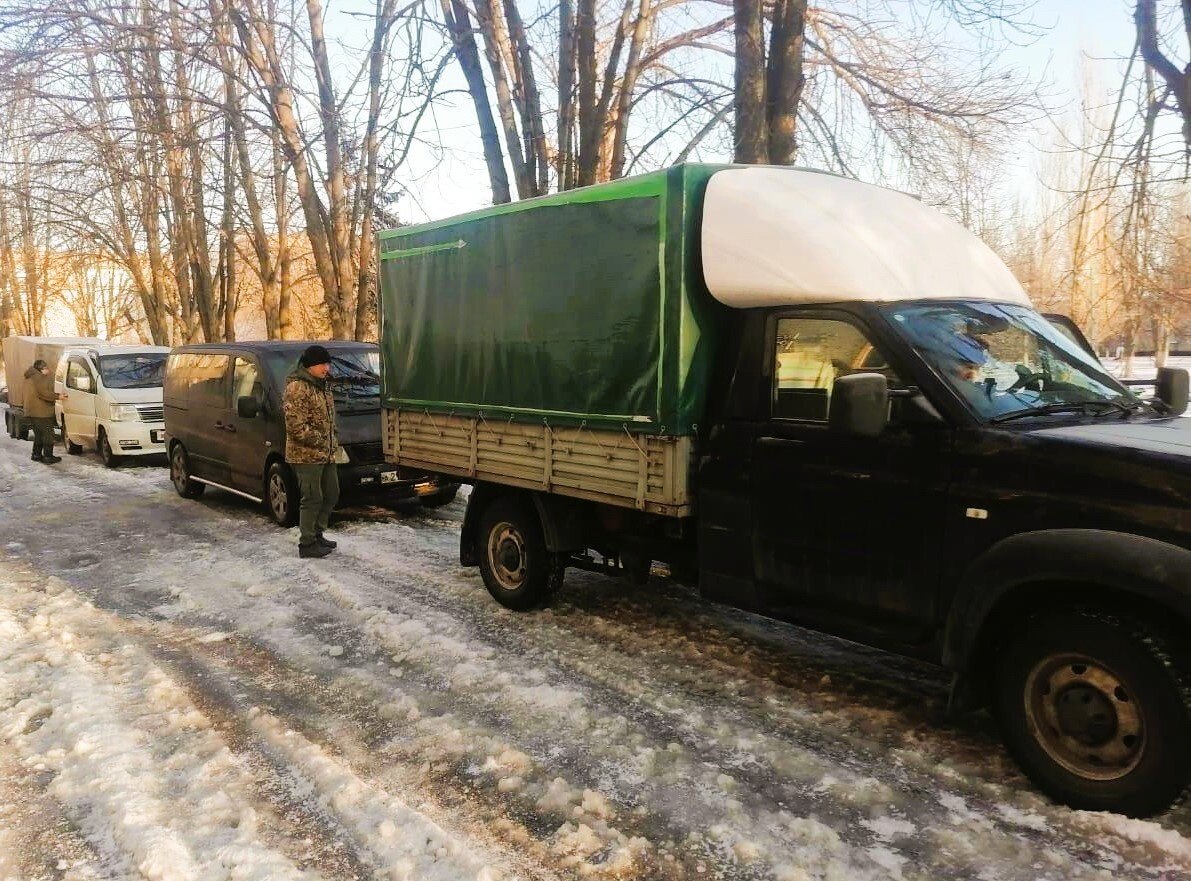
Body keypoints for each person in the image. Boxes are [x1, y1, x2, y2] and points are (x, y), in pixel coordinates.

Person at [283, 345, 340, 559]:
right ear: (311, 366)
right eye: (323, 364)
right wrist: (321, 440)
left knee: (332, 493)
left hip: (326, 452)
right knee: (312, 497)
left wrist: (333, 437)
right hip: (305, 455)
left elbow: (328, 418)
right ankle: (307, 543)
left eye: (328, 363)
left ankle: (317, 533)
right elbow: (295, 427)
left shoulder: (322, 386)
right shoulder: (297, 387)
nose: (327, 368)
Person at [22, 359, 61, 464]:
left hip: (32, 411)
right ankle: (48, 457)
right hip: (41, 412)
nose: (48, 370)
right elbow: (43, 393)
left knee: (39, 434)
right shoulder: (38, 377)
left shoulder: (30, 376)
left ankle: (36, 455)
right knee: (48, 434)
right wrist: (58, 396)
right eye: (46, 368)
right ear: (40, 369)